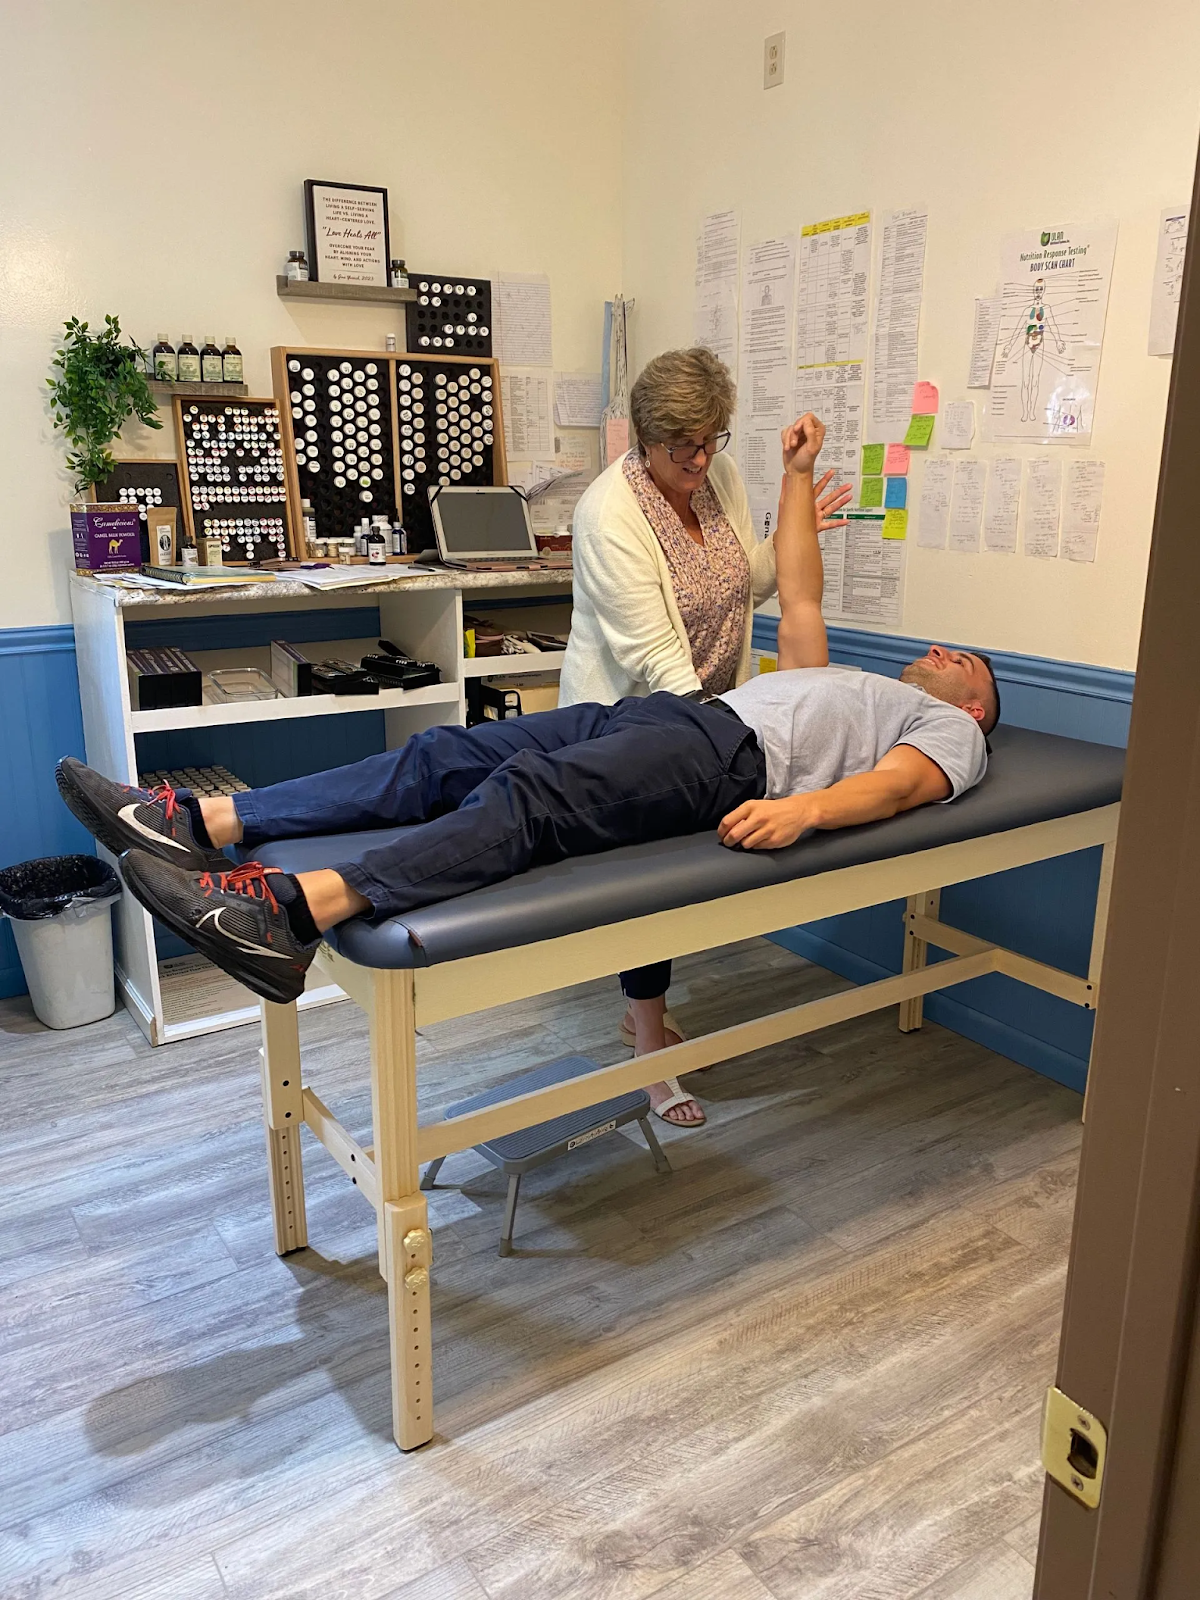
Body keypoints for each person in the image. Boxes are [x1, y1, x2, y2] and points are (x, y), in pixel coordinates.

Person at [56, 416, 999, 1027]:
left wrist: (809, 812)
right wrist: (796, 474)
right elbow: (796, 598)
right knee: (442, 752)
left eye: (970, 664)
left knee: (532, 798)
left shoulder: (948, 730)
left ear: (976, 708)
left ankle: (290, 914)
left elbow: (906, 787)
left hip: (727, 760)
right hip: (673, 716)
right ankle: (200, 823)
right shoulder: (849, 680)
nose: (950, 650)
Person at [561, 346, 852, 1125]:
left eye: (711, 440)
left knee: (678, 877)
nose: (699, 459)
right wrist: (727, 742)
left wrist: (792, 527)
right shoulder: (608, 514)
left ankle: (641, 1014)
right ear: (642, 441)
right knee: (651, 880)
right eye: (681, 446)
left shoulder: (715, 476)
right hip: (629, 713)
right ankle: (651, 1048)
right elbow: (654, 653)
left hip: (712, 707)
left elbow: (742, 581)